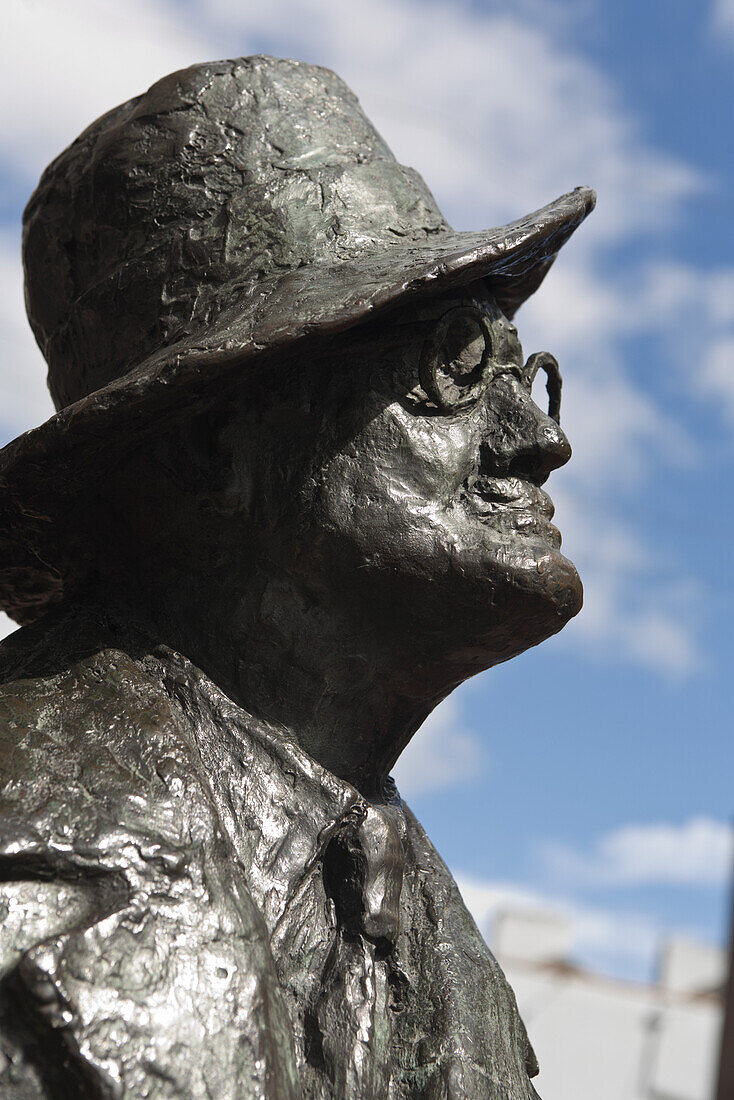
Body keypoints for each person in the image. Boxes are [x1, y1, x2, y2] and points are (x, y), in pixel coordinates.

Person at [0, 56, 594, 1099]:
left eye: (524, 370)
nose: (540, 438)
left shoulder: (452, 966)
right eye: (455, 365)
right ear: (214, 440)